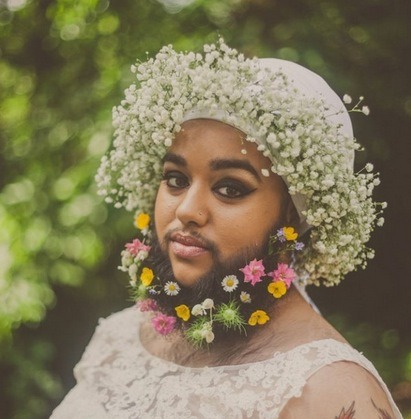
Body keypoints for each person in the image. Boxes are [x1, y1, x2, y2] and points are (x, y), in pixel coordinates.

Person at [50, 39, 403, 418]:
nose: (187, 210)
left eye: (230, 188)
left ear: (293, 216)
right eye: (175, 179)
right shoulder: (120, 337)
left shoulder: (328, 390)